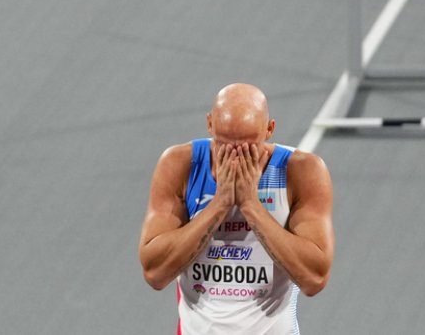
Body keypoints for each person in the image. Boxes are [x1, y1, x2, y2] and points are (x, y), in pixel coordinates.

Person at [139, 83, 334, 334]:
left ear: (269, 129)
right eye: (224, 144)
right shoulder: (181, 165)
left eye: (247, 146)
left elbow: (314, 279)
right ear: (210, 124)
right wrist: (219, 204)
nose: (234, 156)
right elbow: (155, 272)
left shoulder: (300, 171)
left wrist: (250, 205)